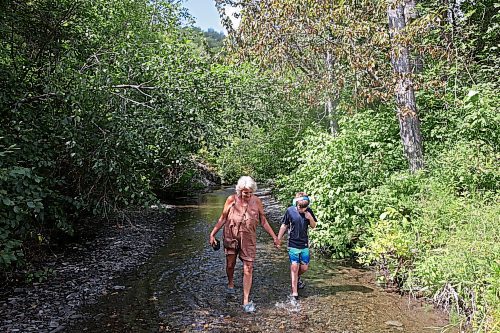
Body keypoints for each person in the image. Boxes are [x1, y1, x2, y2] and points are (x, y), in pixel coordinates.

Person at [209, 176, 281, 313]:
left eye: (250, 192)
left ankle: (246, 300)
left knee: (248, 267)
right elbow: (223, 218)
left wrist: (274, 237)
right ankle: (230, 283)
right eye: (245, 192)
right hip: (231, 235)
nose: (248, 195)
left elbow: (263, 221)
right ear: (239, 191)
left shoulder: (257, 202)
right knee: (230, 265)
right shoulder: (231, 200)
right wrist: (212, 234)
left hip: (248, 238)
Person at [277, 192, 318, 301]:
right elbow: (284, 225)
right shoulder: (290, 211)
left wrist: (310, 218)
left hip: (304, 244)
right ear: (296, 204)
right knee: (295, 266)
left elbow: (314, 226)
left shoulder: (308, 211)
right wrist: (278, 238)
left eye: (305, 207)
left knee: (304, 267)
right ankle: (294, 292)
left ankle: (297, 277)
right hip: (293, 243)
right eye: (300, 207)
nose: (302, 210)